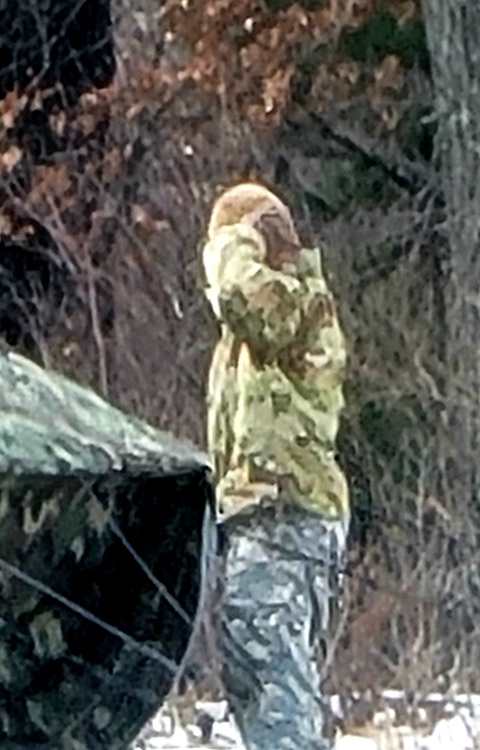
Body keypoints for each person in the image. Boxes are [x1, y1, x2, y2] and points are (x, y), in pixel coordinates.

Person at [202, 182, 349, 750]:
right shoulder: (261, 331)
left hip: (287, 514)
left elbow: (239, 290)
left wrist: (233, 238)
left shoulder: (295, 301)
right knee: (256, 662)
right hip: (268, 514)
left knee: (268, 661)